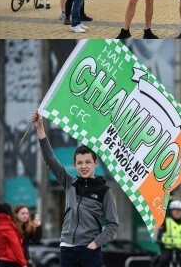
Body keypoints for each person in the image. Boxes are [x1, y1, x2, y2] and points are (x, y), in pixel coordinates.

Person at [31, 110, 119, 267]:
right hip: (67, 249)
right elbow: (50, 160)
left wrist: (95, 243)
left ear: (95, 164)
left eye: (87, 162)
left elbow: (113, 225)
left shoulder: (104, 191)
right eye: (79, 163)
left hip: (90, 250)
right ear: (74, 165)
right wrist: (40, 128)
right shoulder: (69, 183)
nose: (84, 166)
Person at [152, 200, 181, 267]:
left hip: (180, 250)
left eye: (179, 210)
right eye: (175, 210)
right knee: (162, 261)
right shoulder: (166, 221)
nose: (177, 212)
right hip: (167, 249)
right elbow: (158, 234)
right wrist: (159, 240)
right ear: (171, 211)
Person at [0, 202, 27, 267]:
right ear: (9, 211)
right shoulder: (7, 227)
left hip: (0, 261)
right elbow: (16, 246)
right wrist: (23, 263)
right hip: (11, 262)